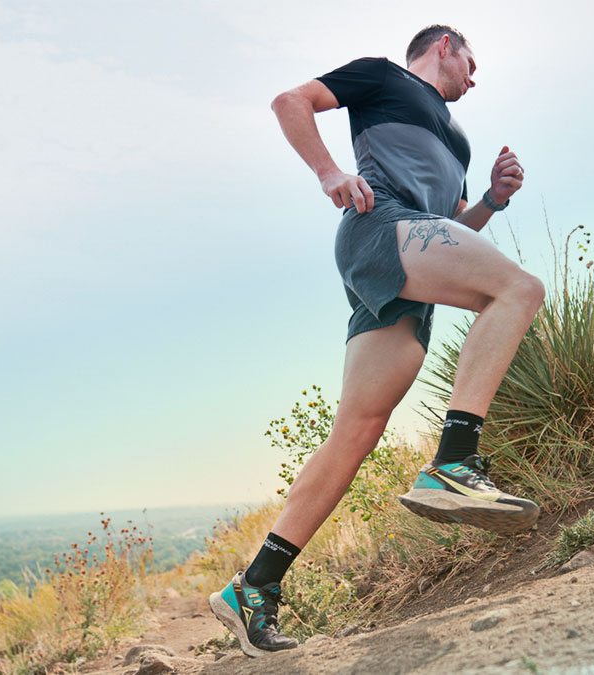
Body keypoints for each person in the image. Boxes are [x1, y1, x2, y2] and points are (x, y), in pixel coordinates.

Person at [209, 25, 545, 658]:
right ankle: (455, 462)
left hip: (409, 260)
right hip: (379, 227)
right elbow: (290, 102)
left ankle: (253, 588)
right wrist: (329, 170)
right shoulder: (383, 76)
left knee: (358, 430)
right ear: (445, 45)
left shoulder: (459, 140)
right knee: (519, 290)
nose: (476, 76)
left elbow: (451, 231)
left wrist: (494, 202)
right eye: (473, 61)